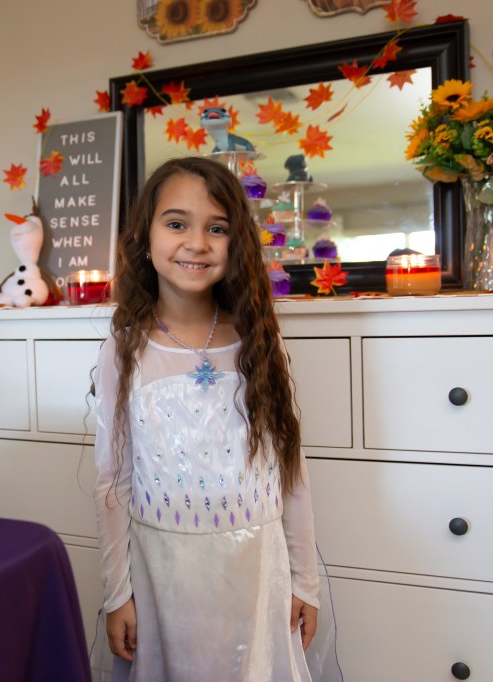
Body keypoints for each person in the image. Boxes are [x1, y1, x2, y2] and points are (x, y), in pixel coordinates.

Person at [93, 156, 320, 680]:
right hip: (165, 577)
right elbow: (113, 481)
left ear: (234, 242)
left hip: (258, 574)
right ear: (144, 238)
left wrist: (305, 581)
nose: (197, 242)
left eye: (216, 228)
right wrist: (117, 594)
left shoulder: (261, 342)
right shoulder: (124, 352)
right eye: (177, 224)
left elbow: (292, 469)